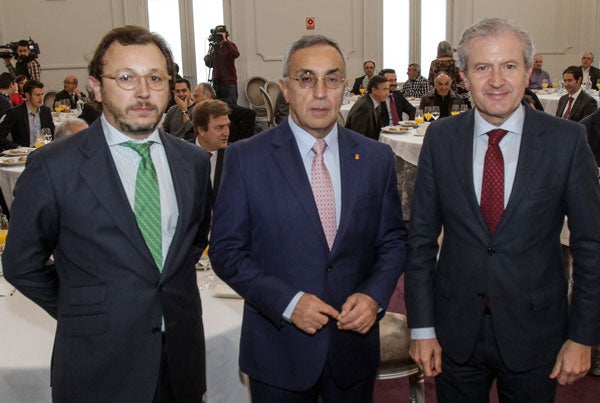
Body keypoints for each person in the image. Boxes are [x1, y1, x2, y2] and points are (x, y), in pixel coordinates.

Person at [2, 25, 211, 403]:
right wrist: (84, 306)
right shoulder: (54, 166)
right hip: (98, 367)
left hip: (181, 362)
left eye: (156, 78)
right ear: (96, 87)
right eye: (126, 78)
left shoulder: (193, 161)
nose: (144, 92)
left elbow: (194, 242)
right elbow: (20, 263)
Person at [405, 17, 600, 402]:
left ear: (529, 72)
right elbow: (420, 241)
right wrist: (422, 328)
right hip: (454, 332)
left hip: (536, 331)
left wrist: (582, 335)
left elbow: (591, 246)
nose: (496, 80)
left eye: (509, 66)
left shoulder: (567, 141)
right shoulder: (440, 140)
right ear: (463, 76)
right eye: (482, 67)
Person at [209, 34, 406, 402]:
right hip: (278, 350)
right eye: (306, 78)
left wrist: (374, 296)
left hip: (354, 348)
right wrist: (288, 302)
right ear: (285, 88)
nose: (320, 91)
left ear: (344, 87)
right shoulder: (245, 159)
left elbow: (393, 240)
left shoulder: (375, 158)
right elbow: (226, 251)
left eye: (332, 78)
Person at [191, 99, 230, 202]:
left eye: (227, 126)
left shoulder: (233, 157)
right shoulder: (179, 155)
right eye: (219, 128)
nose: (226, 133)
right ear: (201, 130)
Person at [0, 80, 54, 149]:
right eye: (37, 95)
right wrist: (17, 147)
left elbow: (52, 134)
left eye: (42, 94)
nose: (41, 98)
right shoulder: (15, 113)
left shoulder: (46, 111)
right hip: (24, 154)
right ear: (27, 95)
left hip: (43, 151)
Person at [345, 75, 389, 139]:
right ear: (374, 90)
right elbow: (358, 136)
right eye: (384, 89)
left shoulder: (374, 102)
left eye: (388, 89)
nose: (388, 93)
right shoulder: (364, 107)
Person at [204, 25, 240, 105]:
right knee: (217, 107)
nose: (219, 36)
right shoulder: (214, 47)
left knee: (232, 107)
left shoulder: (230, 45)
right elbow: (210, 64)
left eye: (222, 34)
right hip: (216, 82)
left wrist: (225, 41)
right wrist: (207, 58)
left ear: (226, 34)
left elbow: (236, 54)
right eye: (218, 34)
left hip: (229, 83)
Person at [427, 41, 469, 105]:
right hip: (454, 96)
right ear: (450, 50)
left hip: (438, 94)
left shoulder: (434, 63)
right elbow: (460, 80)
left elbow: (430, 81)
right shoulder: (455, 63)